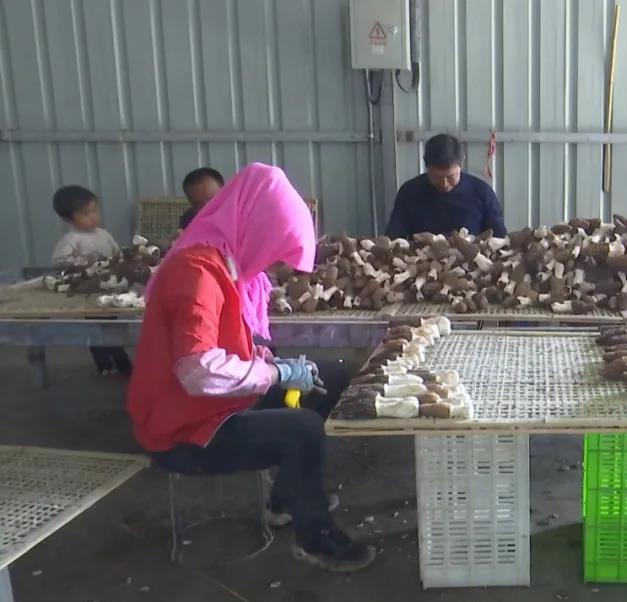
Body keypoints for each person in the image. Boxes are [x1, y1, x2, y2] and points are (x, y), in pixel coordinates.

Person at [126, 163, 376, 572]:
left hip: (218, 406)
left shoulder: (225, 265)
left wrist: (269, 362)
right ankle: (315, 539)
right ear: (256, 229)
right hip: (185, 431)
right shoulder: (196, 274)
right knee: (302, 430)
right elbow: (198, 370)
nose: (274, 267)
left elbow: (225, 347)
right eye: (275, 253)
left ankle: (287, 499)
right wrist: (275, 375)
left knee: (332, 378)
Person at [51, 185, 133, 377]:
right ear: (69, 219)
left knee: (111, 325)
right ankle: (108, 365)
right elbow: (59, 261)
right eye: (86, 214)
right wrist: (79, 262)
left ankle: (120, 364)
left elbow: (116, 253)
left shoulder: (103, 235)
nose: (93, 217)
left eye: (95, 211)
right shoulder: (71, 240)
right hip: (87, 290)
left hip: (109, 287)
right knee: (97, 328)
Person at [385, 133, 508, 239]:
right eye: (436, 177)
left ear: (462, 163)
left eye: (451, 177)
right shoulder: (409, 192)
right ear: (426, 166)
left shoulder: (482, 192)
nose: (444, 184)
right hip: (421, 257)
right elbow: (394, 238)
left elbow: (500, 239)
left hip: (472, 257)